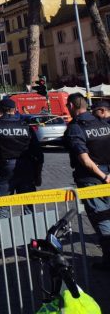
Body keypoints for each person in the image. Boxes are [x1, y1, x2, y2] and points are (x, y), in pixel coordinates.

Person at [0, 97, 43, 218]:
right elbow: (39, 153)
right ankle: (32, 232)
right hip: (27, 169)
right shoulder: (25, 125)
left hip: (6, 168)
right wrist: (37, 175)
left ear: (1, 110)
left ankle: (4, 233)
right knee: (29, 206)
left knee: (2, 206)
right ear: (15, 109)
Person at [65, 94, 110, 270]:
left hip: (93, 179)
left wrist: (103, 176)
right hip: (107, 175)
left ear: (70, 106)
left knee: (102, 219)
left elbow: (84, 160)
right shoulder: (102, 123)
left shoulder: (76, 128)